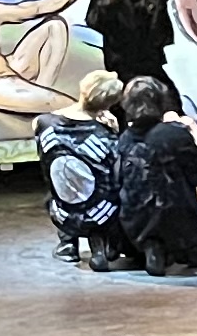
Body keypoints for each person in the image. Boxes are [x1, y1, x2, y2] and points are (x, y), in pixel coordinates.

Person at [113, 77, 197, 277]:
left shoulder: (124, 139)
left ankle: (153, 248)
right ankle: (167, 247)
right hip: (178, 222)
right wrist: (195, 135)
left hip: (134, 225)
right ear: (161, 102)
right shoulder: (175, 135)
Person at [37, 77, 135, 267]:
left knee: (62, 185)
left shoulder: (43, 123)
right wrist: (114, 131)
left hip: (63, 209)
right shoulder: (105, 135)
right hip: (101, 211)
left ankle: (68, 244)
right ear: (110, 104)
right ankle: (100, 247)